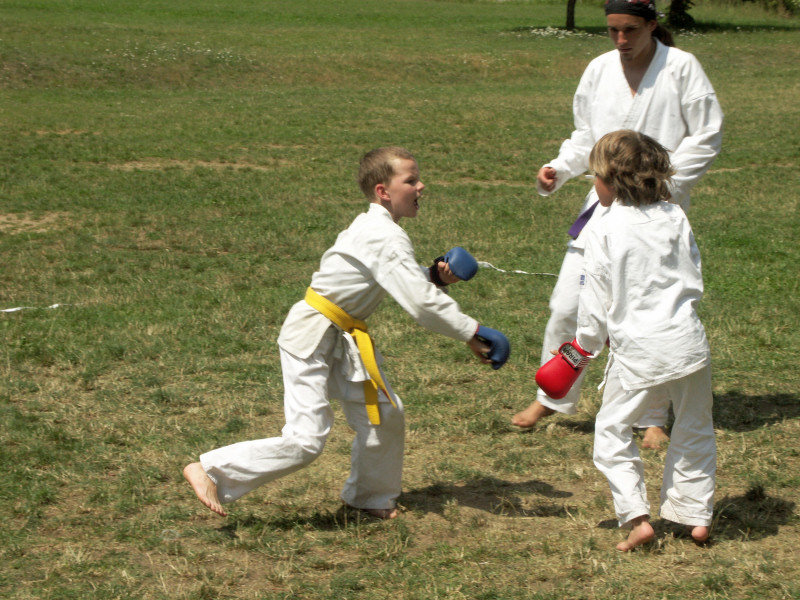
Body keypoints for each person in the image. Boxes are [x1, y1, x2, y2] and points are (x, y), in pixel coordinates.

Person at [184, 146, 508, 519]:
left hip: (341, 337)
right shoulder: (384, 236)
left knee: (384, 414)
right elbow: (420, 303)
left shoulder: (378, 229)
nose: (421, 187)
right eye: (411, 180)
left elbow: (396, 278)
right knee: (306, 439)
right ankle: (210, 470)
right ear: (383, 191)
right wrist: (473, 331)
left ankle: (369, 497)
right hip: (311, 335)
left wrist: (433, 276)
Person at [512, 0, 723, 449]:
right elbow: (586, 137)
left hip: (654, 212)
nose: (621, 40)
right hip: (603, 207)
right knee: (566, 306)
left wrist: (664, 182)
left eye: (630, 30)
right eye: (613, 31)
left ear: (651, 25)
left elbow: (707, 135)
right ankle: (553, 395)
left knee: (645, 311)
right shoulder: (599, 69)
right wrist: (559, 168)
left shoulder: (681, 68)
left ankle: (652, 416)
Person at [538, 130, 715, 550]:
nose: (593, 185)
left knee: (611, 429)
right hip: (688, 341)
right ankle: (696, 515)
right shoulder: (675, 215)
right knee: (694, 425)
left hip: (639, 348)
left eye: (594, 177)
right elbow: (692, 272)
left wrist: (580, 350)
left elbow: (594, 303)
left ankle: (637, 516)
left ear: (611, 181)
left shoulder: (603, 227)